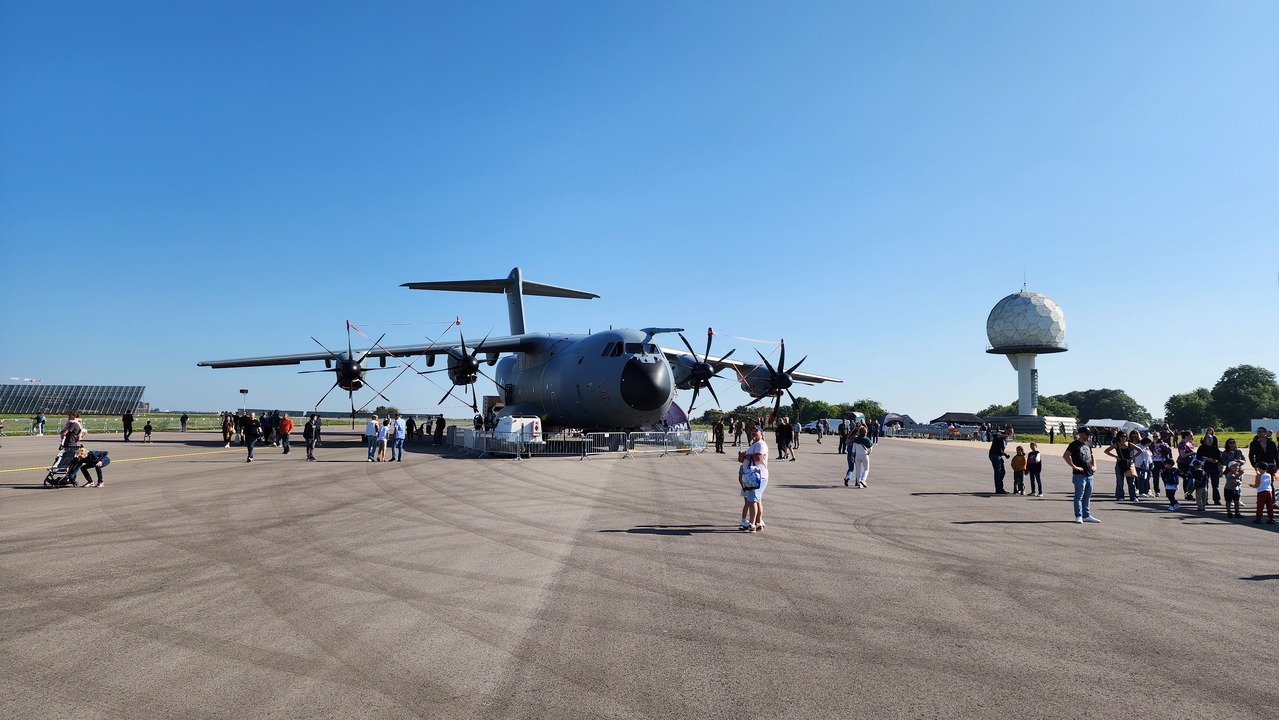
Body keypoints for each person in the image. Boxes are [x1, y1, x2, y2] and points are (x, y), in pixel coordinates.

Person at [737, 425, 769, 532]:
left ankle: (752, 524)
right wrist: (742, 456)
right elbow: (745, 460)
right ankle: (758, 522)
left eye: (756, 431)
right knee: (756, 499)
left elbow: (758, 458)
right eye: (752, 432)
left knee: (752, 500)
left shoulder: (761, 444)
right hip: (751, 476)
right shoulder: (754, 444)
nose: (754, 433)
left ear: (761, 433)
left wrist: (745, 456)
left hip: (757, 477)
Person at [1064, 428, 1099, 523]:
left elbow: (1092, 456)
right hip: (1079, 475)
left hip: (1089, 474)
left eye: (1089, 434)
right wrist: (1074, 466)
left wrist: (1094, 466)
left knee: (1087, 496)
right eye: (1086, 434)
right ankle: (1078, 515)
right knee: (1078, 496)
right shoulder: (1074, 444)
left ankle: (1086, 515)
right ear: (1080, 434)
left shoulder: (1088, 444)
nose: (1088, 436)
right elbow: (1066, 455)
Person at [1104, 433, 1136, 501]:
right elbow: (1106, 451)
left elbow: (1140, 450)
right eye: (1122, 436)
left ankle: (1133, 496)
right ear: (1119, 437)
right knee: (1120, 481)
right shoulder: (1116, 444)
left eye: (1125, 436)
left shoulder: (1129, 444)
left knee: (1131, 482)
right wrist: (1115, 456)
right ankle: (1120, 496)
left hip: (1129, 463)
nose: (1123, 438)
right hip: (1120, 463)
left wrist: (1133, 457)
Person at [1222, 438, 1246, 518]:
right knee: (1231, 483)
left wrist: (1239, 462)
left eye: (1233, 442)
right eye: (1230, 443)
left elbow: (1244, 460)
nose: (1232, 444)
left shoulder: (1239, 451)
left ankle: (1238, 502)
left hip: (1238, 469)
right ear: (1227, 444)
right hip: (1229, 469)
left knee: (1239, 485)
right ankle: (1229, 510)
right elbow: (1223, 461)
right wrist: (1230, 463)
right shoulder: (1225, 453)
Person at [1197, 434, 1222, 505]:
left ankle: (1216, 500)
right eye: (1208, 440)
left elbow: (1219, 458)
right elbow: (1198, 457)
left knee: (1215, 485)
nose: (1210, 441)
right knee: (1205, 485)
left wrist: (1216, 460)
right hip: (1205, 467)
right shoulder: (1202, 448)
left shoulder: (1215, 448)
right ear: (1205, 441)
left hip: (1214, 468)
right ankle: (1205, 499)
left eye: (1211, 440)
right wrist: (1207, 459)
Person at [989, 426, 1011, 494]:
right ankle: (998, 489)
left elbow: (1000, 449)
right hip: (994, 455)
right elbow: (995, 435)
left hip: (999, 455)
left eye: (1011, 432)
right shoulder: (1000, 434)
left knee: (1002, 472)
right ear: (1005, 430)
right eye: (1009, 431)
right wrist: (1003, 435)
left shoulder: (1005, 439)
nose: (1010, 433)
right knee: (998, 472)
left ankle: (1000, 488)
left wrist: (1005, 454)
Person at [1176, 431, 1197, 500]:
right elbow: (1183, 455)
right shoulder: (1182, 444)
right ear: (1186, 436)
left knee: (1192, 478)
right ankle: (1187, 494)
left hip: (1190, 463)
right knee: (1187, 477)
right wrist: (1192, 453)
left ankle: (1189, 493)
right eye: (1190, 436)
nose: (1191, 437)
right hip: (1182, 463)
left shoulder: (1191, 443)